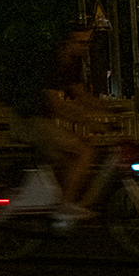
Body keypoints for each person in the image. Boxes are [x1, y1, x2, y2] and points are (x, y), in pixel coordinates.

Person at [11, 26, 104, 221]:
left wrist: (114, 111)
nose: (83, 47)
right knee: (84, 152)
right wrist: (91, 123)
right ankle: (64, 208)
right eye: (79, 42)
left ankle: (56, 204)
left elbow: (81, 96)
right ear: (66, 43)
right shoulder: (51, 63)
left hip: (41, 121)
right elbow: (57, 106)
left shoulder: (71, 63)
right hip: (31, 121)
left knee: (69, 160)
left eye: (87, 43)